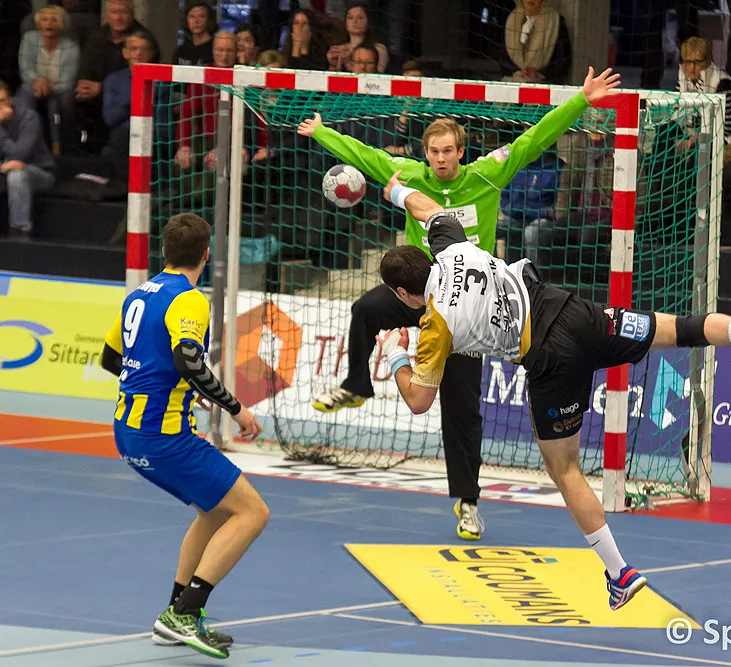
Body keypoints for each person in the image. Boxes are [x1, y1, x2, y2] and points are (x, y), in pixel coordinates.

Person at [375, 175, 731, 610]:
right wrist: (396, 190)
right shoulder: (452, 247)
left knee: (566, 469)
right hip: (574, 312)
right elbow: (427, 206)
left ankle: (620, 573)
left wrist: (396, 355)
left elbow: (419, 400)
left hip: (550, 364)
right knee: (681, 329)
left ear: (402, 293)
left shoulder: (434, 326)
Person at [296, 65, 623, 541]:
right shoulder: (411, 175)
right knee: (365, 309)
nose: (440, 159)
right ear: (424, 153)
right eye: (433, 151)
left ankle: (468, 502)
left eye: (448, 151)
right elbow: (365, 155)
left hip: (469, 312)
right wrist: (324, 132)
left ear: (461, 152)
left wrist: (580, 101)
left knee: (462, 408)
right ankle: (357, 384)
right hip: (419, 296)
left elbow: (534, 139)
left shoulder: (487, 175)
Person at [99, 213, 269, 659]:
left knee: (214, 512)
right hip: (163, 435)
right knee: (253, 512)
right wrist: (235, 408)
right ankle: (185, 614)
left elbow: (110, 359)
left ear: (163, 251)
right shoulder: (189, 299)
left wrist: (176, 390)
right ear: (207, 254)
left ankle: (175, 613)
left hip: (129, 430)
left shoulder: (139, 294)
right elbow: (188, 361)